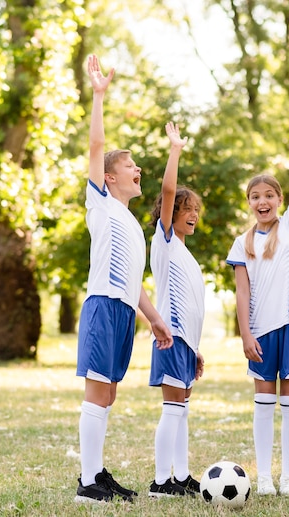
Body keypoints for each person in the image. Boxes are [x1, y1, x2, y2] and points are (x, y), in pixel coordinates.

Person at [75, 54, 173, 503]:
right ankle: (87, 483)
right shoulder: (102, 204)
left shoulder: (133, 225)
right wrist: (98, 98)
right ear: (110, 177)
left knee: (109, 392)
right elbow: (96, 148)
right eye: (131, 167)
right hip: (101, 307)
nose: (139, 171)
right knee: (99, 390)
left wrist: (153, 318)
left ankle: (97, 473)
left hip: (123, 310)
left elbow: (133, 283)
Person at [226, 97, 289, 496]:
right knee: (264, 404)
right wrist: (245, 334)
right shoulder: (241, 243)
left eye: (269, 195)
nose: (262, 201)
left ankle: (288, 476)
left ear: (279, 200)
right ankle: (264, 476)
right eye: (255, 197)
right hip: (261, 332)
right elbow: (241, 291)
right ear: (249, 203)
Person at [147, 122, 206, 498]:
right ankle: (160, 481)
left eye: (196, 209)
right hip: (170, 340)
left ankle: (180, 476)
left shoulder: (184, 252)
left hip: (185, 343)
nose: (193, 214)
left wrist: (196, 347)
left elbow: (190, 304)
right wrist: (175, 150)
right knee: (172, 409)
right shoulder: (165, 240)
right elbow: (169, 189)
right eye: (186, 208)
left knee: (181, 409)